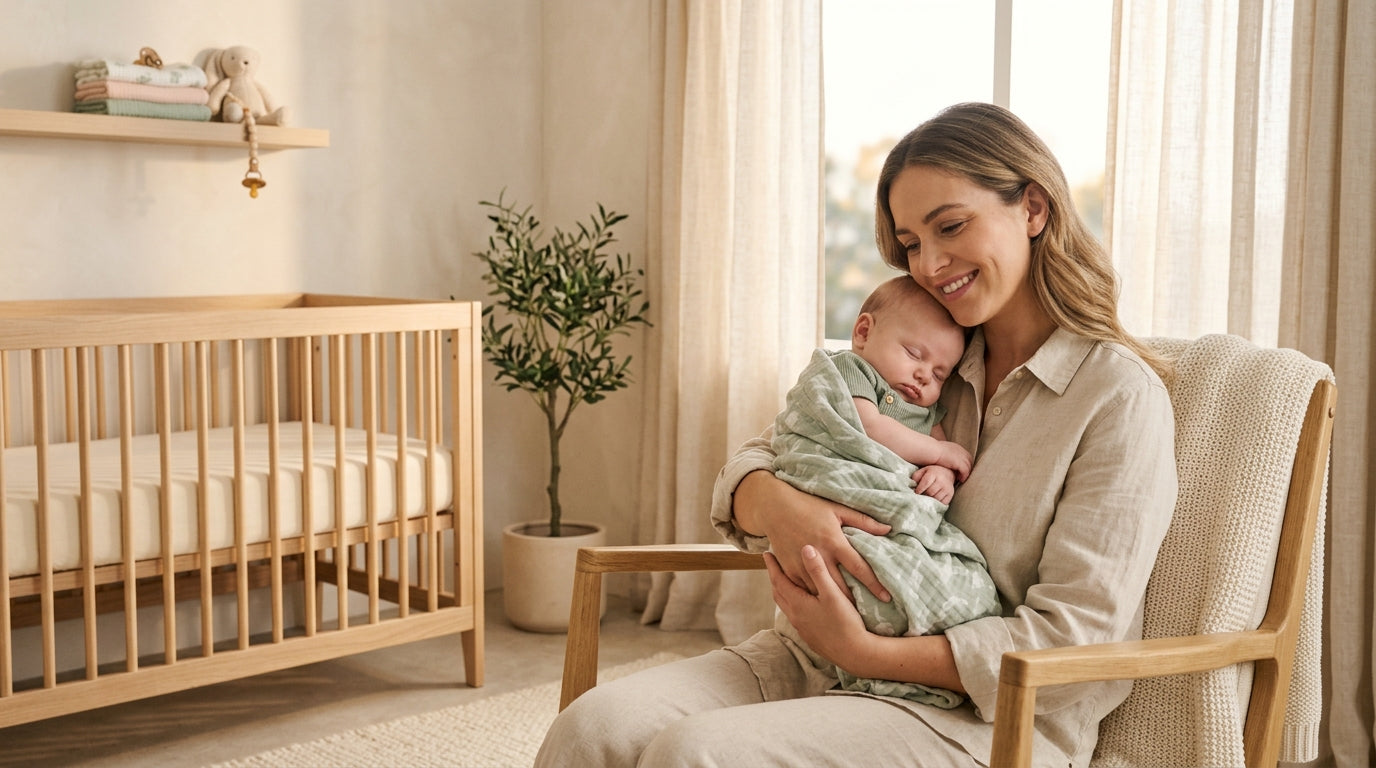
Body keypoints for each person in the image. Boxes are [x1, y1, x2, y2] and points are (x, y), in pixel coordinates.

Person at [536, 102, 1177, 768]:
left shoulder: (1117, 398)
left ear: (1033, 209)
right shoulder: (922, 359)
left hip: (986, 720)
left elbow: (1075, 642)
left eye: (950, 226)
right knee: (592, 729)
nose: (928, 264)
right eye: (909, 244)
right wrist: (782, 506)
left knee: (694, 755)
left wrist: (866, 652)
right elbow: (765, 453)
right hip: (810, 658)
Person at [772, 275, 999, 707]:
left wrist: (943, 473)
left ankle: (899, 633)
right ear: (863, 332)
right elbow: (868, 429)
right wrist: (940, 450)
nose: (922, 375)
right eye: (914, 354)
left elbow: (939, 457)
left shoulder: (927, 409)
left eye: (939, 373)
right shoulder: (850, 372)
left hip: (891, 509)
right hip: (842, 486)